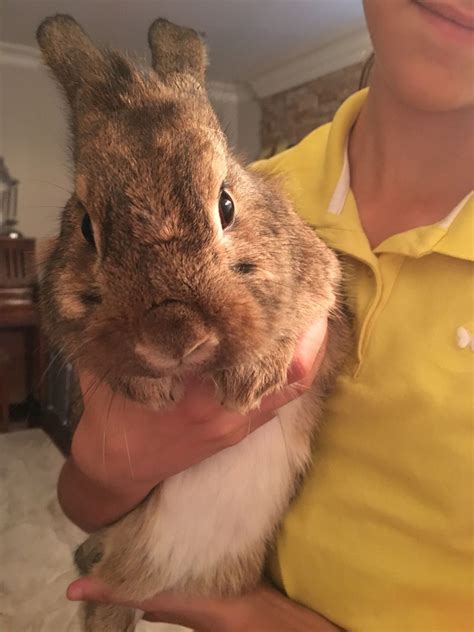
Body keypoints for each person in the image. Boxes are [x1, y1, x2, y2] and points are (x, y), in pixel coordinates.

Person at [61, 1, 474, 630]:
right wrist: (106, 465)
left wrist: (260, 619)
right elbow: (85, 498)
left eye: (223, 211)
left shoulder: (267, 213)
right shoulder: (277, 179)